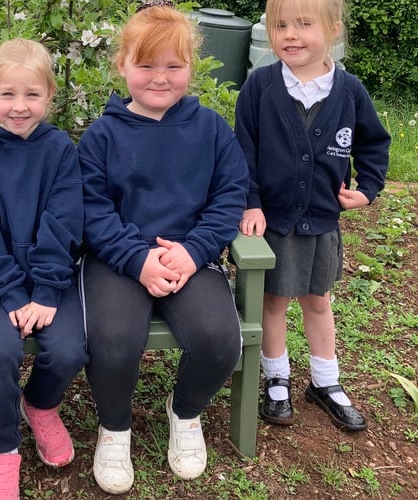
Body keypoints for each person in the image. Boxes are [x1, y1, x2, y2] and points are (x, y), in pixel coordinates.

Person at [77, 4, 249, 493]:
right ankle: (114, 426)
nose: (160, 77)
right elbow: (91, 210)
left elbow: (229, 195)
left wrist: (194, 251)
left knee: (219, 340)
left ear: (191, 68)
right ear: (122, 66)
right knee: (111, 339)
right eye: (146, 65)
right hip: (117, 259)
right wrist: (137, 259)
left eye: (174, 66)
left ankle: (185, 412)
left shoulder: (212, 130)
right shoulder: (102, 135)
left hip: (189, 257)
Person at [235, 0, 389, 432]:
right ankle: (277, 377)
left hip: (322, 221)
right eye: (281, 25)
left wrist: (369, 188)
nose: (290, 34)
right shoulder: (260, 86)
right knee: (273, 300)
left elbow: (373, 144)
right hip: (274, 223)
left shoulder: (350, 91)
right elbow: (242, 150)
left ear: (333, 30)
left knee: (318, 301)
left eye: (304, 24)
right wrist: (251, 201)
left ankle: (325, 382)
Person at [0, 38, 88, 499]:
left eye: (32, 95)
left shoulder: (60, 151)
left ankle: (40, 405)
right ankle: (2, 449)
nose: (19, 107)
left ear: (50, 95)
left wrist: (46, 290)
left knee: (68, 350)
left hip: (50, 279)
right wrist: (10, 292)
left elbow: (64, 220)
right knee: (0, 354)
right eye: (8, 94)